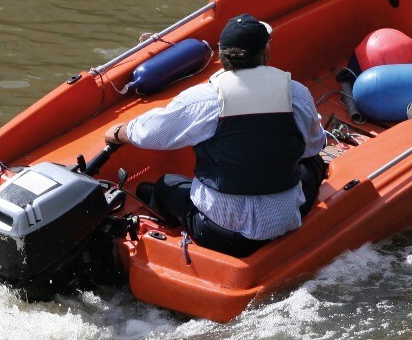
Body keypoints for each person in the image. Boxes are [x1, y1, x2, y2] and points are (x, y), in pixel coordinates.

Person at [105, 13, 326, 257]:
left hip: (220, 235)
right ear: (266, 53)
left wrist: (117, 132)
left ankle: (162, 212)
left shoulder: (203, 99)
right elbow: (313, 147)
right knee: (314, 162)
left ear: (221, 55)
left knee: (165, 185)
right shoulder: (298, 94)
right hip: (283, 224)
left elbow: (149, 134)